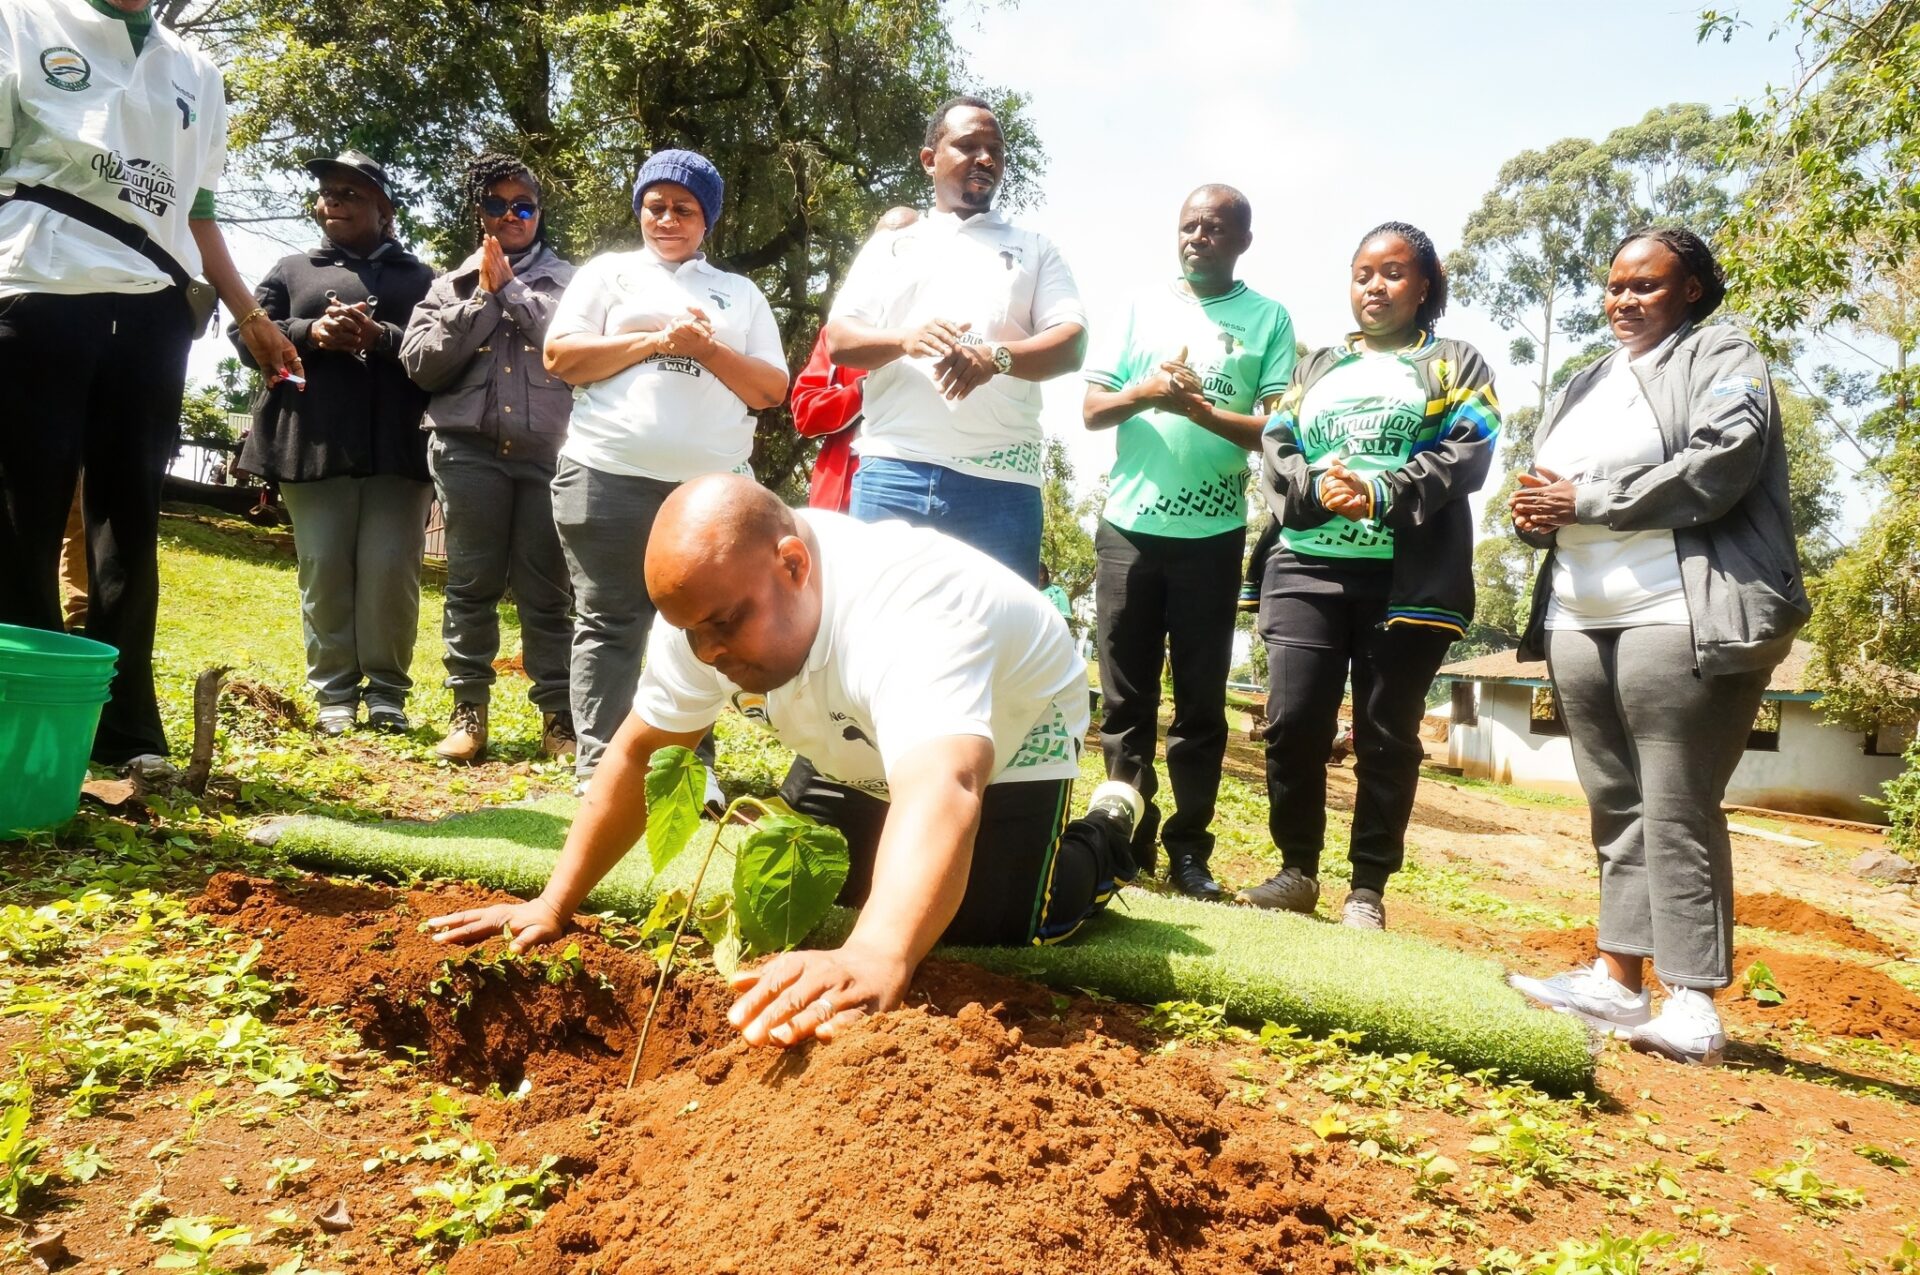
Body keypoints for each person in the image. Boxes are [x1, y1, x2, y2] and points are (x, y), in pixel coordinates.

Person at [426, 476, 1143, 1047]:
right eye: (690, 633)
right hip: (851, 738)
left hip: (1013, 731)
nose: (707, 655)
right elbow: (643, 752)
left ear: (794, 564)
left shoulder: (911, 611)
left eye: (723, 627)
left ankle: (1107, 830)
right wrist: (554, 902)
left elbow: (943, 783)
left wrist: (877, 954)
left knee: (984, 919)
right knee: (826, 889)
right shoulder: (709, 607)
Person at [1507, 228, 1807, 1067]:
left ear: (1693, 291)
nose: (1623, 300)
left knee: (1676, 803)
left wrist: (1588, 498)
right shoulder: (1589, 379)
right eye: (1614, 286)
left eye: (1645, 285)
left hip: (1679, 609)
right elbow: (1554, 491)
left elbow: (1723, 461)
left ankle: (1694, 1003)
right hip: (1577, 611)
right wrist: (1536, 514)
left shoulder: (1724, 353)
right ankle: (1618, 978)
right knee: (1615, 803)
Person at [0, 0, 300, 780]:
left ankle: (124, 726)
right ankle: (23, 717)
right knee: (19, 511)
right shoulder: (22, 22)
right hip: (36, 290)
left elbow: (196, 212)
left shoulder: (195, 70)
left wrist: (250, 315)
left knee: (127, 517)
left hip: (155, 309)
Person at [1236, 222, 1498, 930]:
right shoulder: (1317, 366)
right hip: (1305, 566)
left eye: (1391, 273)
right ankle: (1296, 870)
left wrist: (1383, 491)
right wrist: (1318, 490)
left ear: (1424, 285)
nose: (1373, 286)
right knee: (1292, 722)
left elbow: (1472, 448)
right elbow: (1277, 442)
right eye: (1361, 273)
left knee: (1386, 732)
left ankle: (1367, 889)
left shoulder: (1454, 362)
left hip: (1405, 577)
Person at [542, 149, 788, 796]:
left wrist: (706, 348)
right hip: (606, 472)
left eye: (684, 208)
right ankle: (599, 769)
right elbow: (561, 355)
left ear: (708, 219)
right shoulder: (609, 274)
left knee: (701, 626)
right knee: (608, 621)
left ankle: (690, 769)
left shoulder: (739, 293)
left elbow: (769, 388)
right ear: (639, 210)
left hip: (711, 496)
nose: (668, 219)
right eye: (655, 206)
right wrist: (655, 342)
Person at [1082, 184, 1296, 901]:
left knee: (1201, 706)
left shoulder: (1268, 319)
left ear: (1243, 241)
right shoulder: (1141, 306)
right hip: (1128, 529)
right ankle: (1125, 838)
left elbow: (1273, 432)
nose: (1198, 237)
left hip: (1212, 536)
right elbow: (1091, 409)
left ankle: (1188, 852)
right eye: (1188, 226)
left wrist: (1197, 409)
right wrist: (1149, 390)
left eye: (1215, 228)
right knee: (1125, 700)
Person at [825, 96, 1087, 581]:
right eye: (968, 146)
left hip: (1001, 485)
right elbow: (840, 338)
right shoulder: (893, 245)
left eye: (996, 149)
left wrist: (997, 358)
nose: (986, 159)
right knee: (881, 638)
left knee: (994, 649)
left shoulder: (1036, 247)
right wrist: (905, 339)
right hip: (893, 472)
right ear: (930, 160)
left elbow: (1072, 342)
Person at [234, 151, 435, 735]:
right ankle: (334, 695)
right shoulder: (292, 269)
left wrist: (381, 336)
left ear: (384, 208)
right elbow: (247, 336)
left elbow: (446, 351)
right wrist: (309, 332)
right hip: (311, 441)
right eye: (327, 193)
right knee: (322, 566)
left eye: (350, 192)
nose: (334, 202)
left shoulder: (420, 279)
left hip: (398, 450)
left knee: (390, 568)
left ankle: (389, 694)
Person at [402, 152, 577, 763]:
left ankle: (560, 721)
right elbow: (421, 365)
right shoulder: (445, 284)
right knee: (470, 587)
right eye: (498, 205)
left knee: (548, 594)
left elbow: (571, 349)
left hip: (548, 456)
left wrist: (514, 292)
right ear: (480, 214)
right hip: (468, 452)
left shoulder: (575, 284)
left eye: (524, 206)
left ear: (539, 214)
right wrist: (480, 298)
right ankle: (468, 715)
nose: (512, 215)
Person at [792, 206, 921, 511]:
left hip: (922, 482)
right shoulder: (840, 334)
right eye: (885, 244)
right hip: (844, 492)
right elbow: (805, 413)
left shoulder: (942, 324)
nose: (894, 254)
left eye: (906, 243)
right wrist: (864, 390)